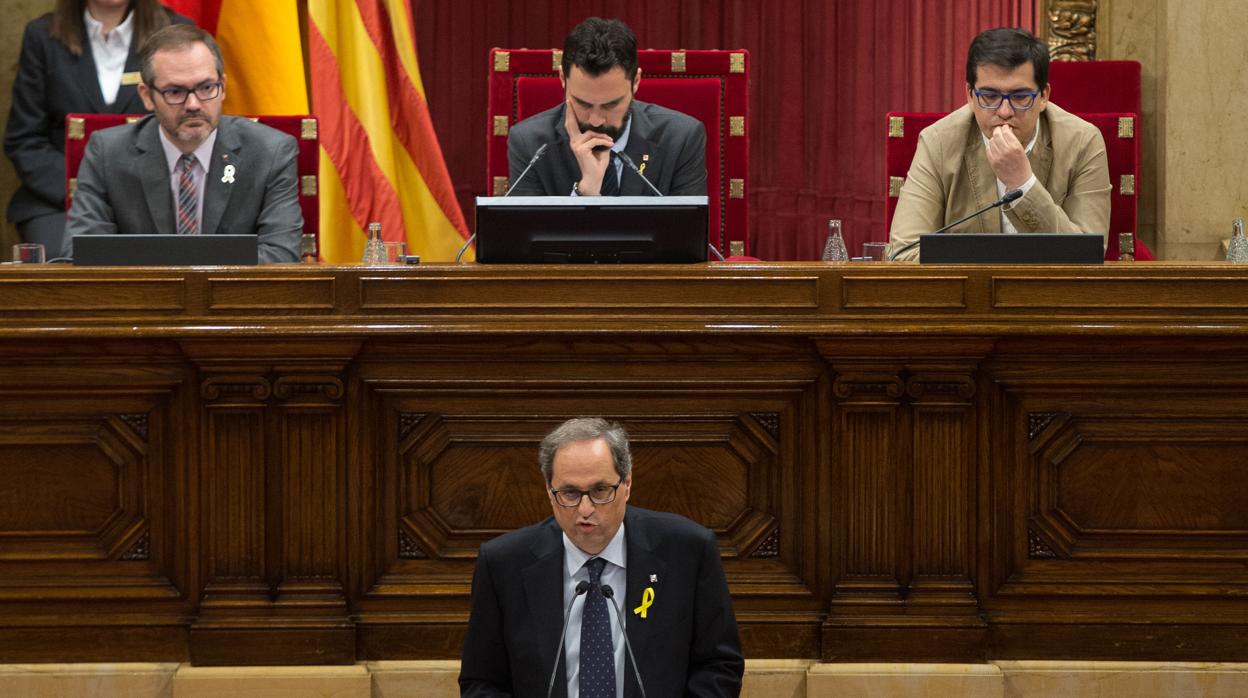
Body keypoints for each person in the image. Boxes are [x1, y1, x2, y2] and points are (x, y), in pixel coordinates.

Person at [459, 417, 743, 697]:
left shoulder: (687, 551)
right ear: (549, 490)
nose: (585, 509)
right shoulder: (503, 563)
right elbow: (482, 682)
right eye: (569, 493)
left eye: (600, 491)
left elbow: (719, 666)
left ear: (627, 483)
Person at [63, 24, 301, 263]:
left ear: (224, 87)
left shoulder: (270, 153)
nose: (194, 104)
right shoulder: (107, 154)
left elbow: (281, 257)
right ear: (147, 96)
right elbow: (82, 256)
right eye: (175, 92)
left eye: (207, 88)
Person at [887, 27, 1111, 261]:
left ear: (1044, 96)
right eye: (990, 97)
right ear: (970, 95)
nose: (1005, 111)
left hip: (1051, 294)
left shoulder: (1083, 142)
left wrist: (1023, 184)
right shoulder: (938, 143)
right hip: (968, 295)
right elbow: (903, 254)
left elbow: (1088, 258)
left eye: (1020, 96)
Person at [4, 0, 191, 256]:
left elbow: (190, 131)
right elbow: (24, 139)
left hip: (154, 198)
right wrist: (85, 192)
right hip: (59, 200)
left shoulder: (176, 32)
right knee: (63, 270)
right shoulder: (42, 35)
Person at [506, 18, 707, 197]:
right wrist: (586, 192)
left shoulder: (680, 139)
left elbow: (686, 237)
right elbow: (528, 237)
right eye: (583, 103)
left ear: (636, 81)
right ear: (562, 79)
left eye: (611, 104)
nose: (596, 119)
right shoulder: (531, 144)